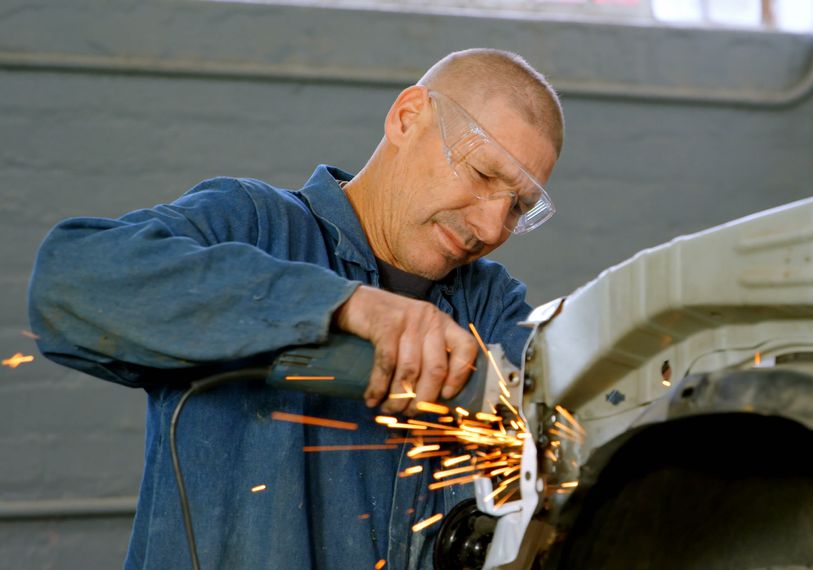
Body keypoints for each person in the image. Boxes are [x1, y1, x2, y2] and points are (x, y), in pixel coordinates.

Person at [27, 48, 564, 569]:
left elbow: (562, 410)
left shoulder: (490, 307)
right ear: (407, 118)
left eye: (517, 206)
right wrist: (341, 305)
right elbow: (68, 281)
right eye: (482, 175)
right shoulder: (254, 227)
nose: (493, 227)